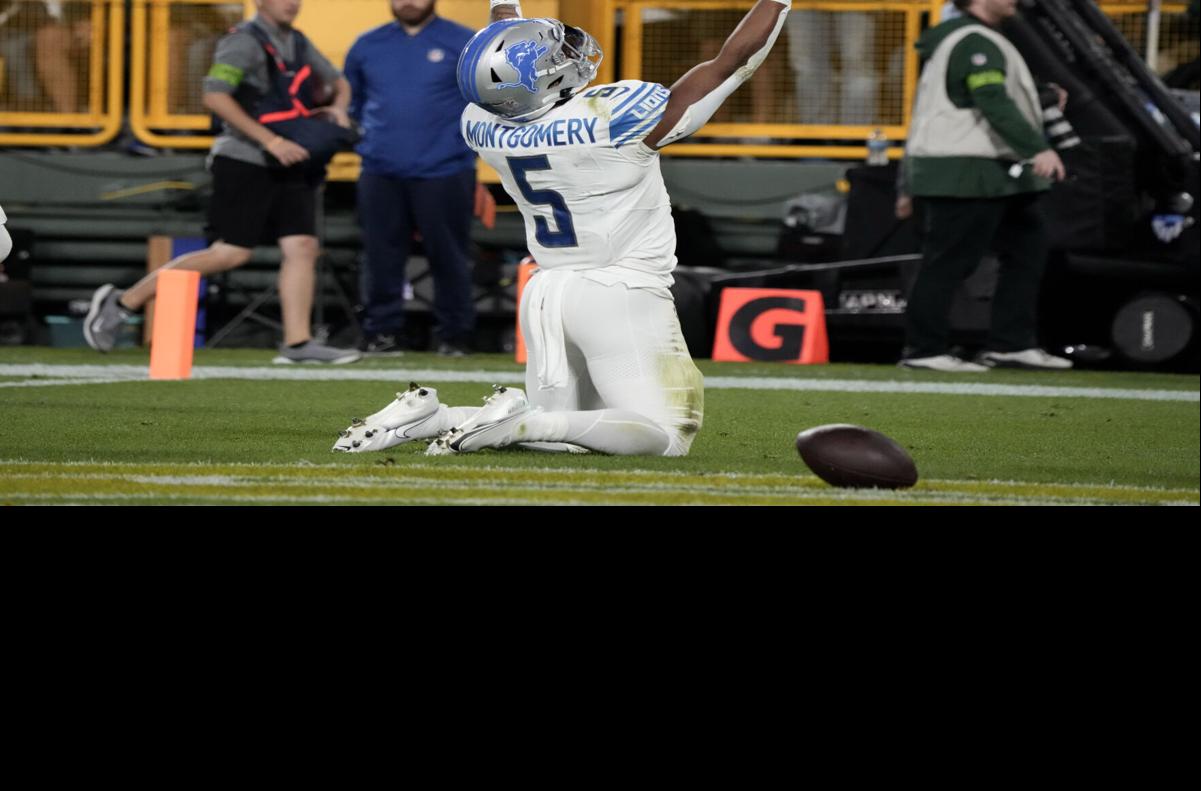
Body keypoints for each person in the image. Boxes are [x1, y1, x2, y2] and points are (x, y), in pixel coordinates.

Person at [331, 0, 791, 456]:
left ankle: (436, 417)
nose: (567, 54)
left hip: (546, 291)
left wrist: (503, 6)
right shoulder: (613, 120)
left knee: (568, 437)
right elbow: (732, 61)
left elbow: (504, 47)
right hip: (620, 290)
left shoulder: (480, 120)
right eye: (557, 54)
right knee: (666, 435)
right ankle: (520, 421)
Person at [84, 0, 360, 363]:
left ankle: (297, 344)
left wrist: (338, 109)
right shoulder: (243, 41)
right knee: (230, 253)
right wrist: (271, 141)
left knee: (303, 247)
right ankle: (122, 302)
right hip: (245, 159)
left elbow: (338, 83)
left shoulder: (297, 41)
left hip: (290, 159)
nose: (292, 3)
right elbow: (215, 95)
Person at [895, 0, 1071, 372]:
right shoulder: (974, 40)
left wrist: (1042, 95)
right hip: (964, 170)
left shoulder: (981, 38)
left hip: (991, 171)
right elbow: (989, 98)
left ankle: (1012, 344)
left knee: (1029, 245)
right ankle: (924, 350)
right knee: (948, 262)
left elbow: (981, 97)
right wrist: (1037, 147)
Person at [344, 0, 484, 358]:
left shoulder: (465, 42)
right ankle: (382, 333)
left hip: (447, 169)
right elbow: (354, 104)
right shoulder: (366, 44)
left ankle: (455, 336)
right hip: (380, 170)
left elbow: (483, 103)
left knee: (449, 256)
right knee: (380, 257)